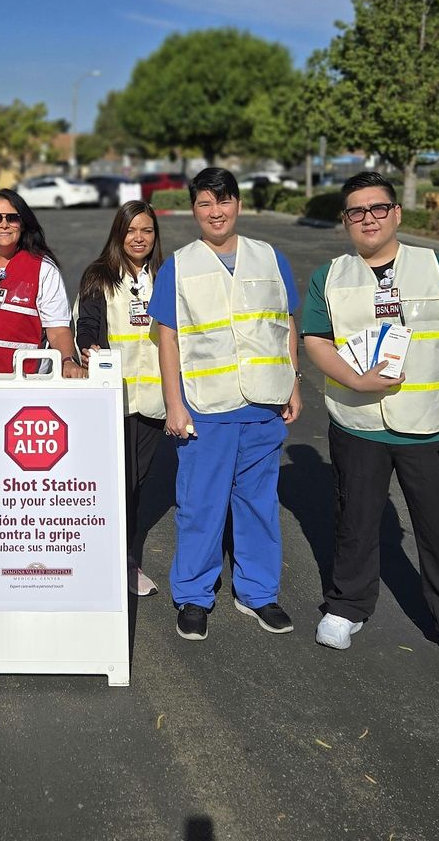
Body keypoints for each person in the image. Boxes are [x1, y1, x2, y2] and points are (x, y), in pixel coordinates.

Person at [300, 172, 439, 683]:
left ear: (396, 213)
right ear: (345, 221)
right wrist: (356, 380)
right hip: (358, 425)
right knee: (355, 522)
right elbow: (316, 339)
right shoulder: (331, 276)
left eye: (377, 208)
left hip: (429, 426)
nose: (367, 218)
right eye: (356, 211)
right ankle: (346, 606)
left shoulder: (438, 268)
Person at [148, 167, 302, 642]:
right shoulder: (179, 265)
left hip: (263, 406)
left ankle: (258, 593)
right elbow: (168, 339)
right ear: (193, 210)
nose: (216, 212)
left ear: (238, 204)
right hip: (206, 407)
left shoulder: (270, 258)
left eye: (224, 201)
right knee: (201, 507)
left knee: (258, 506)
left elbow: (285, 325)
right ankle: (194, 597)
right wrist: (174, 404)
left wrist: (293, 383)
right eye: (205, 203)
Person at [75, 200, 167, 597]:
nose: (139, 238)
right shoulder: (99, 275)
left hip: (154, 400)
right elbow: (86, 325)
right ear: (119, 233)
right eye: (131, 230)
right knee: (118, 481)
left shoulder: (164, 276)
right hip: (115, 397)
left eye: (147, 230)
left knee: (136, 483)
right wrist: (87, 349)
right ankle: (112, 559)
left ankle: (122, 558)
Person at [0, 188, 84, 377]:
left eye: (12, 218)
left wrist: (67, 361)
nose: (4, 225)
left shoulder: (44, 268)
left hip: (25, 378)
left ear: (22, 224)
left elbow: (57, 329)